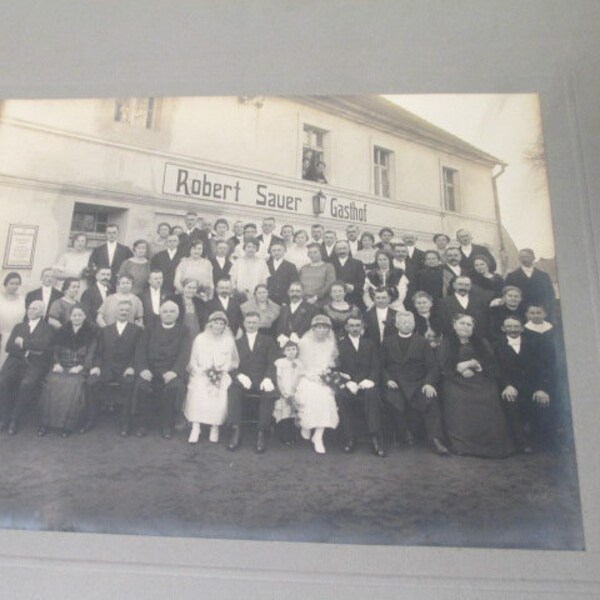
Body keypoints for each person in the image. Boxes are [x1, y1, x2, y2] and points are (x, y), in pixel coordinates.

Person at [437, 314, 515, 458]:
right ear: (454, 325)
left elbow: (490, 361)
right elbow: (442, 364)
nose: (465, 327)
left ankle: (491, 443)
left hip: (480, 378)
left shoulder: (481, 341)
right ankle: (462, 444)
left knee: (488, 396)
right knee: (457, 397)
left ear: (473, 328)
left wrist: (474, 364)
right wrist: (460, 367)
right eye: (462, 323)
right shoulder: (447, 341)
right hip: (455, 380)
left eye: (469, 325)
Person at [382, 311, 448, 454]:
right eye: (403, 322)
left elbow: (433, 366)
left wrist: (429, 383)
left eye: (410, 322)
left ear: (414, 324)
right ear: (397, 324)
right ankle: (404, 434)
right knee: (391, 399)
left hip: (418, 383)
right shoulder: (387, 341)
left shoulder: (422, 342)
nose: (407, 325)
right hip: (396, 383)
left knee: (430, 399)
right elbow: (381, 365)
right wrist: (388, 379)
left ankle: (436, 440)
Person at [493, 315, 551, 453]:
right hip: (509, 386)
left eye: (516, 326)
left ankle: (544, 441)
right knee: (510, 401)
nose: (513, 329)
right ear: (503, 328)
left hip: (532, 386)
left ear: (522, 328)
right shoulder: (496, 345)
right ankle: (522, 443)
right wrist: (507, 385)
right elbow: (495, 369)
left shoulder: (533, 344)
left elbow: (543, 368)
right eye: (509, 326)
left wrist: (541, 388)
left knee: (542, 400)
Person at [134, 301, 191, 438]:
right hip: (151, 369)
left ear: (177, 314)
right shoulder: (150, 328)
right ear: (160, 314)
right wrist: (143, 369)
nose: (168, 314)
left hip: (171, 370)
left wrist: (174, 371)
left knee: (173, 387)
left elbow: (185, 353)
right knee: (142, 385)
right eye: (165, 311)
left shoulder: (184, 330)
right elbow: (140, 350)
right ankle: (143, 425)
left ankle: (167, 426)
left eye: (172, 311)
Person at [84, 299, 142, 435]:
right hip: (107, 367)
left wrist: (132, 366)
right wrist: (97, 366)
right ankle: (90, 420)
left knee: (129, 384)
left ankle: (125, 423)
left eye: (127, 310)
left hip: (125, 368)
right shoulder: (106, 330)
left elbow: (138, 352)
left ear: (130, 313)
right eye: (121, 310)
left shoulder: (136, 330)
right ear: (116, 312)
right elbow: (98, 352)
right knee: (91, 383)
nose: (124, 312)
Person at [37, 306, 96, 438]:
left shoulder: (91, 332)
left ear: (84, 316)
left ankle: (67, 425)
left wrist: (81, 367)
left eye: (80, 315)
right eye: (74, 315)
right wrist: (57, 363)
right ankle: (45, 423)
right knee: (51, 383)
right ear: (70, 317)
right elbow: (55, 349)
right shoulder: (62, 331)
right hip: (61, 366)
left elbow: (92, 353)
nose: (77, 317)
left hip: (79, 368)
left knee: (73, 386)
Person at [184, 311, 239, 444]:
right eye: (216, 323)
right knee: (198, 389)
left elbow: (233, 362)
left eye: (221, 324)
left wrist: (221, 370)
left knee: (220, 392)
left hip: (221, 374)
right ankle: (196, 427)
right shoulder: (200, 339)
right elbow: (193, 361)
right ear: (210, 324)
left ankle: (214, 427)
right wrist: (201, 371)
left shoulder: (229, 341)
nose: (218, 326)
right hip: (201, 373)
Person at [0, 301, 55, 434]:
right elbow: (9, 347)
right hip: (15, 361)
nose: (30, 311)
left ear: (42, 312)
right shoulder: (19, 326)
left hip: (35, 364)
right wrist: (29, 349)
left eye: (34, 309)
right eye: (29, 308)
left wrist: (23, 342)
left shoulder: (48, 328)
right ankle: (4, 417)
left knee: (26, 384)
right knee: (3, 381)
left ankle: (15, 419)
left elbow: (43, 347)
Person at [227, 312, 279, 453]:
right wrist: (240, 376)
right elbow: (230, 365)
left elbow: (273, 362)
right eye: (249, 322)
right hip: (244, 380)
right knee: (232, 391)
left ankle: (261, 433)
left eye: (254, 322)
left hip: (262, 379)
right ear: (244, 323)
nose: (251, 325)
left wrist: (268, 378)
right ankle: (236, 431)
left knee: (269, 394)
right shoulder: (236, 343)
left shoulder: (268, 340)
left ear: (259, 323)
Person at [336, 315, 385, 457]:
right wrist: (346, 382)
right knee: (341, 395)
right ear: (346, 328)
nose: (355, 328)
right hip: (349, 384)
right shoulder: (340, 344)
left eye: (358, 325)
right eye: (351, 326)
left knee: (372, 394)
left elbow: (377, 365)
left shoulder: (370, 343)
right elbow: (335, 368)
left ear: (362, 327)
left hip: (366, 383)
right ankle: (350, 437)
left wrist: (370, 380)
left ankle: (376, 437)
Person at [294, 315, 339, 454]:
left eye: (325, 327)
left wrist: (326, 374)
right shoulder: (303, 342)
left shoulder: (330, 343)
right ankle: (307, 425)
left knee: (326, 396)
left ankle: (318, 436)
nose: (321, 330)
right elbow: (298, 363)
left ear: (328, 330)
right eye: (318, 327)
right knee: (309, 393)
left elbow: (331, 363)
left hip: (323, 377)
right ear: (313, 329)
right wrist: (309, 375)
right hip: (305, 376)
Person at [505, 248, 555, 318]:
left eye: (527, 257)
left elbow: (550, 295)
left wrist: (547, 310)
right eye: (521, 257)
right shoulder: (512, 276)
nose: (524, 259)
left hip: (539, 313)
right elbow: (507, 295)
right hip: (520, 312)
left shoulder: (543, 276)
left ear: (533, 258)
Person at [272, 341, 302, 444]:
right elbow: (278, 378)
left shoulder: (299, 363)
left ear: (297, 350)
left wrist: (295, 390)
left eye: (293, 349)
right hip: (284, 389)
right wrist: (283, 392)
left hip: (294, 390)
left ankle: (293, 433)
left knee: (292, 412)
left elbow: (299, 378)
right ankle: (284, 435)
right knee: (284, 412)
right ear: (284, 352)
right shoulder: (281, 362)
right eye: (288, 350)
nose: (291, 352)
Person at [275, 281, 320, 348]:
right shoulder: (283, 309)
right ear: (288, 293)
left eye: (297, 291)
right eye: (292, 291)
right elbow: (279, 328)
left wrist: (299, 337)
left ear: (303, 292)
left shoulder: (311, 309)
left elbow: (314, 329)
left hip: (304, 346)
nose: (294, 294)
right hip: (285, 347)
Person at [0, 272, 26, 366]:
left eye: (17, 284)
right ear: (5, 283)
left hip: (15, 336)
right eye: (11, 283)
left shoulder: (23, 299)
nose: (14, 286)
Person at [331, 240, 366, 309]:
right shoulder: (330, 263)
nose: (342, 251)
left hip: (352, 298)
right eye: (339, 249)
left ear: (349, 249)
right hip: (334, 298)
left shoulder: (357, 263)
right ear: (335, 250)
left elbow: (362, 281)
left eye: (344, 248)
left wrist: (353, 287)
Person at [266, 241, 298, 306]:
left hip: (285, 300)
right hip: (268, 300)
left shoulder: (291, 266)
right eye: (274, 250)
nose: (276, 252)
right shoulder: (266, 265)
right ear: (270, 252)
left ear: (284, 251)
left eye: (279, 250)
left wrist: (287, 300)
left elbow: (294, 284)